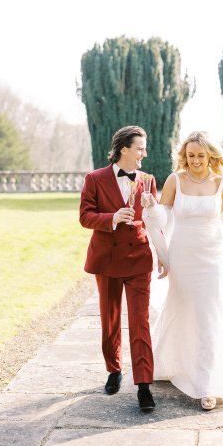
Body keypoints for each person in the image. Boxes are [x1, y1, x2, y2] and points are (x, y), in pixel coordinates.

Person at [143, 130, 223, 410]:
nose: (195, 160)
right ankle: (171, 361)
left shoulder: (221, 183)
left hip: (212, 256)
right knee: (181, 307)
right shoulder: (175, 180)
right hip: (183, 254)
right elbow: (164, 216)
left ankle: (206, 383)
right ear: (185, 155)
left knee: (208, 312)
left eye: (200, 155)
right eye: (190, 155)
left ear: (210, 156)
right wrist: (151, 207)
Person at [79, 125, 164, 411]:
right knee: (110, 319)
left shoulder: (149, 180)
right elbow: (85, 217)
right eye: (140, 148)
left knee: (140, 322)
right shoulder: (95, 179)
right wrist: (112, 217)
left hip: (139, 259)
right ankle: (114, 370)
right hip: (107, 259)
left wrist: (154, 211)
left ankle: (144, 385)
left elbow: (156, 222)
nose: (145, 153)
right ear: (124, 149)